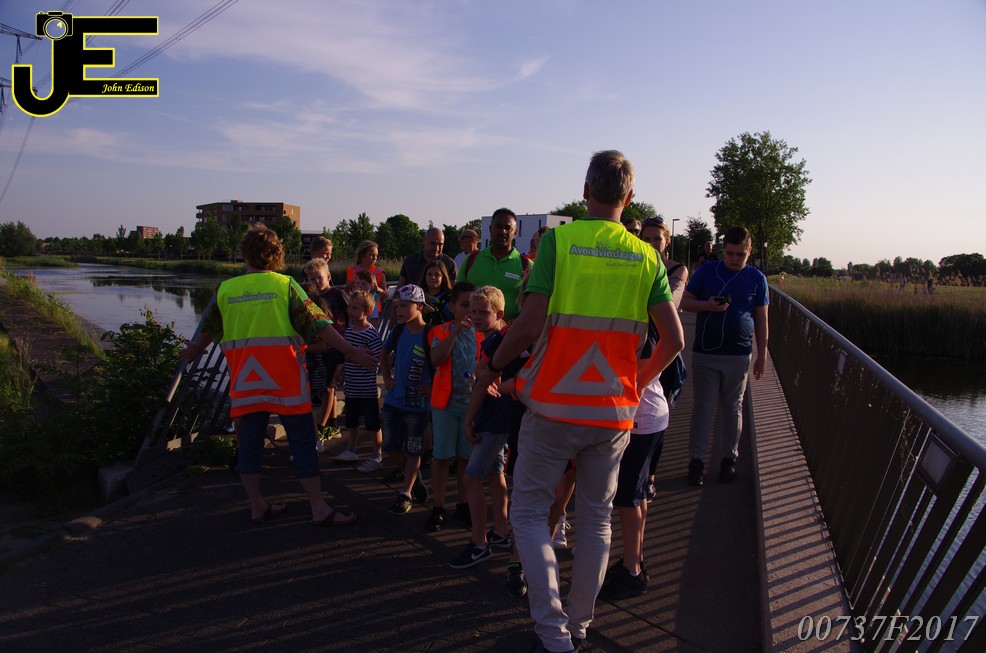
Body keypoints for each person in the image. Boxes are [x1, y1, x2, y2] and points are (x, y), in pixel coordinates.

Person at [474, 150, 684, 653]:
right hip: (612, 412)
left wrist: (493, 366)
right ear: (629, 197)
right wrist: (637, 383)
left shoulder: (560, 242)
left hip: (552, 407)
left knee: (529, 514)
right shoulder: (647, 256)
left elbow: (528, 325)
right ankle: (579, 624)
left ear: (586, 191)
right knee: (595, 519)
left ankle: (551, 630)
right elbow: (674, 341)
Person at [179, 224, 376, 526]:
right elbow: (320, 326)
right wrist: (353, 352)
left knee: (248, 445)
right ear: (276, 255)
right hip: (286, 380)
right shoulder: (285, 286)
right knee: (303, 443)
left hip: (246, 380)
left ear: (245, 254)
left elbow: (210, 327)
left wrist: (194, 349)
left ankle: (257, 505)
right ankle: (318, 508)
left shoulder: (227, 289)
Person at [681, 225, 769, 487]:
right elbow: (684, 301)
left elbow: (762, 319)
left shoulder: (756, 278)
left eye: (740, 254)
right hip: (706, 352)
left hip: (739, 354)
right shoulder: (707, 271)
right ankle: (696, 462)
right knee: (703, 408)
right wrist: (707, 305)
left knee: (732, 408)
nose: (734, 259)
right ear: (723, 250)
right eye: (730, 253)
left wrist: (762, 354)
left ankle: (728, 459)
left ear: (749, 252)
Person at [448, 286, 517, 568]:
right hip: (502, 415)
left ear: (498, 314)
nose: (475, 316)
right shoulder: (504, 337)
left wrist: (469, 419)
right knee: (494, 472)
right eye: (472, 311)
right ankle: (500, 531)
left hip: (495, 418)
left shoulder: (497, 342)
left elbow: (484, 384)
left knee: (471, 477)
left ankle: (479, 543)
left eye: (482, 312)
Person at [638, 216, 689, 498]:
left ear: (666, 242)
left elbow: (672, 296)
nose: (651, 244)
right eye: (646, 239)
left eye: (657, 239)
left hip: (664, 348)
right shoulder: (635, 265)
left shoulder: (677, 270)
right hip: (639, 345)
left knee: (657, 414)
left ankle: (650, 475)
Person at [426, 281, 480, 532]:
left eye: (474, 306)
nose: (470, 311)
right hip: (445, 405)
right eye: (465, 305)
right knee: (442, 456)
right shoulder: (440, 331)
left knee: (466, 458)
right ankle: (438, 506)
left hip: (471, 406)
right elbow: (436, 359)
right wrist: (455, 332)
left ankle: (462, 503)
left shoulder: (482, 333)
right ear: (452, 307)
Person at [381, 284, 435, 515]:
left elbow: (443, 362)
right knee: (391, 446)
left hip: (418, 405)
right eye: (397, 306)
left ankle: (405, 492)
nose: (399, 310)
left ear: (419, 307)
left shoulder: (431, 334)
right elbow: (384, 352)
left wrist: (433, 387)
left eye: (404, 306)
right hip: (394, 400)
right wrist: (386, 376)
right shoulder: (398, 331)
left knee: (414, 450)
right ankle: (414, 479)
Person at [332, 290, 384, 469]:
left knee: (373, 423)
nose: (350, 311)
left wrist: (358, 359)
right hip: (351, 387)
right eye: (349, 307)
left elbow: (378, 358)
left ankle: (377, 454)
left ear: (367, 311)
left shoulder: (371, 334)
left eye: (355, 308)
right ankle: (351, 449)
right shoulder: (348, 332)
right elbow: (346, 355)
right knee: (351, 421)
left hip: (367, 388)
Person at [303, 258, 349, 438]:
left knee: (329, 387)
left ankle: (321, 427)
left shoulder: (338, 294)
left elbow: (351, 315)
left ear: (328, 277)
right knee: (327, 388)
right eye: (312, 279)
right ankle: (333, 425)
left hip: (337, 347)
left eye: (319, 278)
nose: (316, 282)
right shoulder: (310, 299)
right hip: (320, 349)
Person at [461, 207, 530, 321]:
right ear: (490, 229)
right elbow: (459, 297)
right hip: (473, 329)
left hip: (511, 330)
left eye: (508, 228)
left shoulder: (527, 265)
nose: (503, 231)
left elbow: (533, 304)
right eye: (498, 226)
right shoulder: (472, 260)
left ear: (515, 233)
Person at [345, 240, 388, 311]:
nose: (375, 258)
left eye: (376, 255)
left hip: (373, 309)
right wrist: (347, 286)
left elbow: (386, 294)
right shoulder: (352, 270)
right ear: (362, 254)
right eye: (372, 255)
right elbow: (347, 292)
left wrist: (377, 289)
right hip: (355, 308)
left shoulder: (379, 272)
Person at [419, 259, 454, 326]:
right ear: (425, 276)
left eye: (437, 274)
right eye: (429, 274)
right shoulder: (417, 298)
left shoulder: (450, 299)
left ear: (443, 278)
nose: (433, 277)